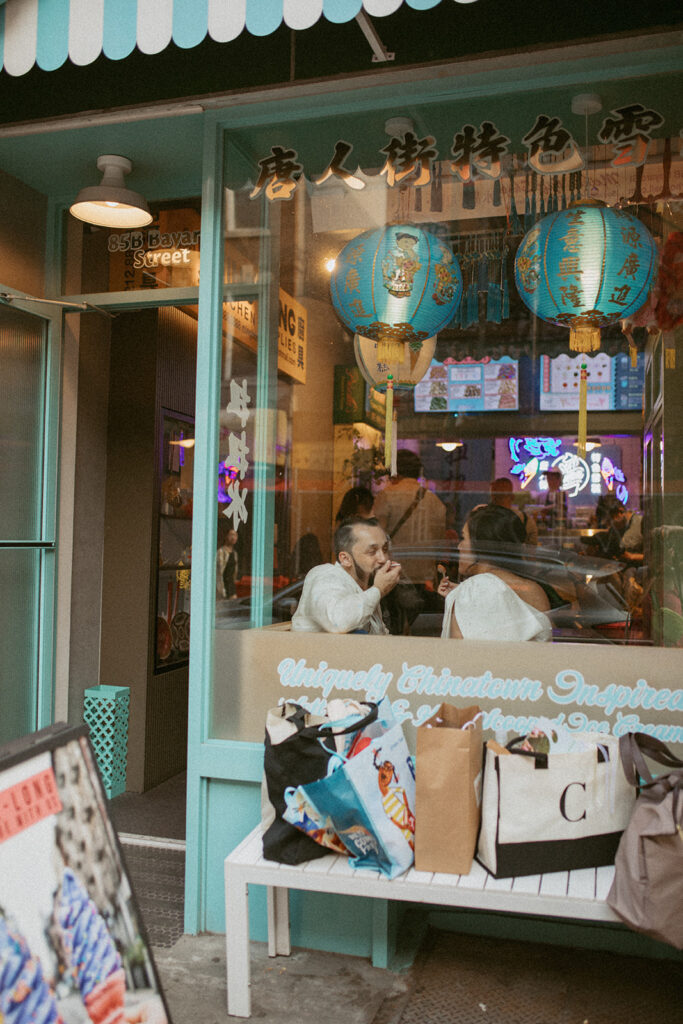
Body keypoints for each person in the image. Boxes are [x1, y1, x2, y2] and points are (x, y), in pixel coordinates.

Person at [439, 504, 552, 642]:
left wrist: (462, 595)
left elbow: (457, 654)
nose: (459, 546)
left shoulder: (471, 592)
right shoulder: (535, 591)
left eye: (464, 538)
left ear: (481, 546)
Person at [291, 516, 401, 633]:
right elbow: (338, 622)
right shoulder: (325, 576)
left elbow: (380, 636)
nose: (383, 559)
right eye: (372, 551)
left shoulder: (365, 589)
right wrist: (379, 589)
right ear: (345, 559)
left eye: (384, 549)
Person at [373, 448, 447, 580]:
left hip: (394, 574)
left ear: (395, 471)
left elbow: (377, 536)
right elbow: (439, 543)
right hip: (426, 576)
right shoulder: (435, 501)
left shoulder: (387, 496)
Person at [490, 477, 538, 545]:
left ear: (492, 497)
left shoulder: (480, 516)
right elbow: (531, 552)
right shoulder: (526, 521)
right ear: (512, 497)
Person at [216, 525, 239, 599]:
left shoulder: (235, 553)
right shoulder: (221, 552)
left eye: (235, 535)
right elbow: (218, 572)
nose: (233, 538)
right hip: (222, 586)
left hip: (231, 586)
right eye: (231, 535)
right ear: (226, 536)